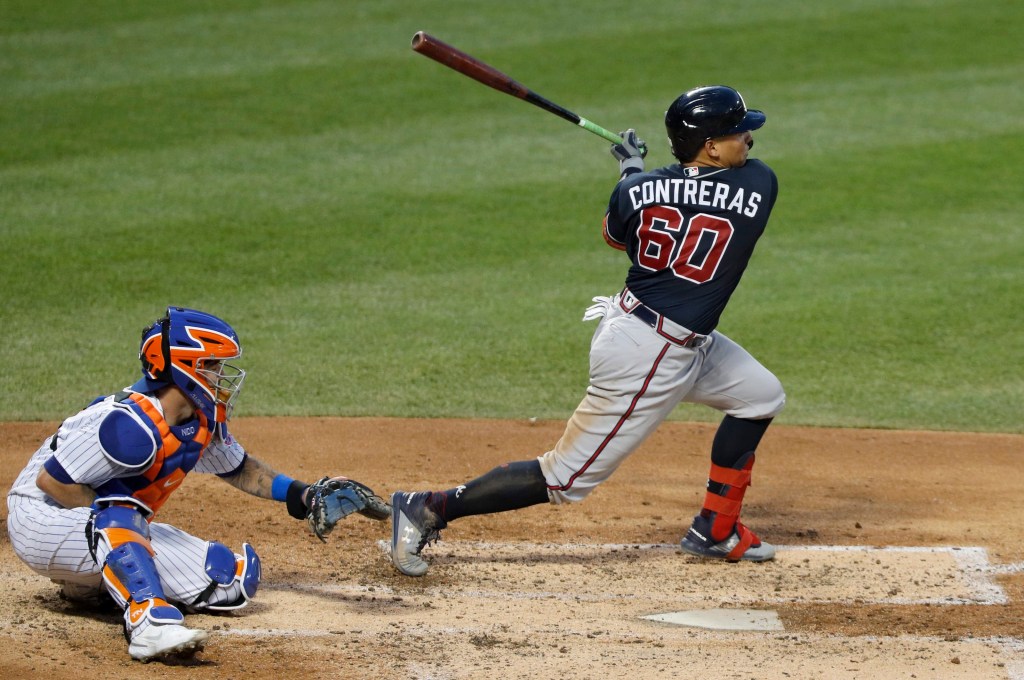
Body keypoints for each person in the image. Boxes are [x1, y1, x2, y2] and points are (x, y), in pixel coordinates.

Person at [390, 85, 785, 577]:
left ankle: (715, 529)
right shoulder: (758, 183)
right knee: (563, 478)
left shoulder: (635, 191)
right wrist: (638, 169)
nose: (749, 139)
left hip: (662, 333)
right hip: (651, 354)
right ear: (711, 147)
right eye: (738, 132)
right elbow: (697, 200)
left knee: (760, 396)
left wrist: (631, 169)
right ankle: (427, 507)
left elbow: (618, 235)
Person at [6, 306, 388, 662]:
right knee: (120, 513)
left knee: (230, 580)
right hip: (39, 519)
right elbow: (52, 482)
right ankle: (148, 624)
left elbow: (240, 468)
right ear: (185, 368)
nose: (222, 376)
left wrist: (303, 494)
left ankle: (89, 584)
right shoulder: (129, 425)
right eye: (213, 366)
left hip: (93, 527)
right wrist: (119, 525)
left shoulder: (196, 420)